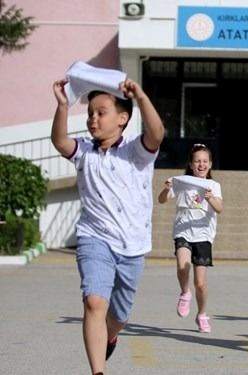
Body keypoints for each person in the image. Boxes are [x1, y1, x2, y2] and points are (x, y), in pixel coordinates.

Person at [51, 76, 164, 375]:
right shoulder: (84, 151)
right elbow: (60, 142)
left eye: (101, 113)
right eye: (90, 113)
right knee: (93, 302)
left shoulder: (136, 152)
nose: (93, 119)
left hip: (132, 245)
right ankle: (98, 372)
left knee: (119, 316)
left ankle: (111, 335)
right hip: (94, 238)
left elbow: (157, 133)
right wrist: (63, 106)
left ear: (123, 118)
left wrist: (141, 96)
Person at [157, 144, 223, 333]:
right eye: (197, 161)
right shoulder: (182, 182)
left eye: (204, 161)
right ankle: (185, 293)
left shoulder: (214, 185)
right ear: (191, 164)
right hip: (183, 231)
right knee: (182, 265)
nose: (201, 165)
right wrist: (166, 189)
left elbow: (219, 208)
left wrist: (210, 198)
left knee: (200, 284)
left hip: (203, 235)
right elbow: (162, 199)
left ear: (210, 164)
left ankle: (202, 314)